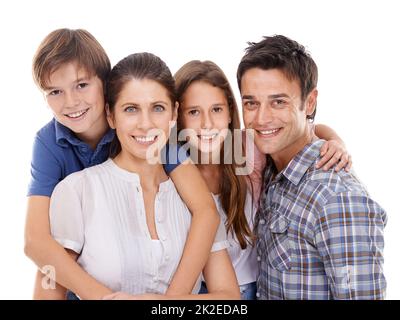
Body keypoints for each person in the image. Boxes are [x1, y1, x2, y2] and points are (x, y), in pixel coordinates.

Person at [24, 29, 220, 299]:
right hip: (82, 266)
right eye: (55, 91)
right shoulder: (49, 144)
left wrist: (170, 302)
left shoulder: (148, 137)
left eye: (81, 85)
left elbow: (206, 211)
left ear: (104, 86)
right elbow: (37, 242)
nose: (71, 102)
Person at [172, 60, 352, 300]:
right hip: (192, 292)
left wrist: (336, 141)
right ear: (179, 117)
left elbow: (304, 127)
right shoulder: (171, 166)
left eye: (216, 109)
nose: (206, 124)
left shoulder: (248, 151)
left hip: (249, 287)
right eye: (194, 112)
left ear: (229, 112)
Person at [237, 35, 387, 299]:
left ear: (309, 102)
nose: (261, 119)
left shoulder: (338, 199)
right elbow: (196, 141)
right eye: (251, 103)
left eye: (278, 102)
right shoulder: (265, 158)